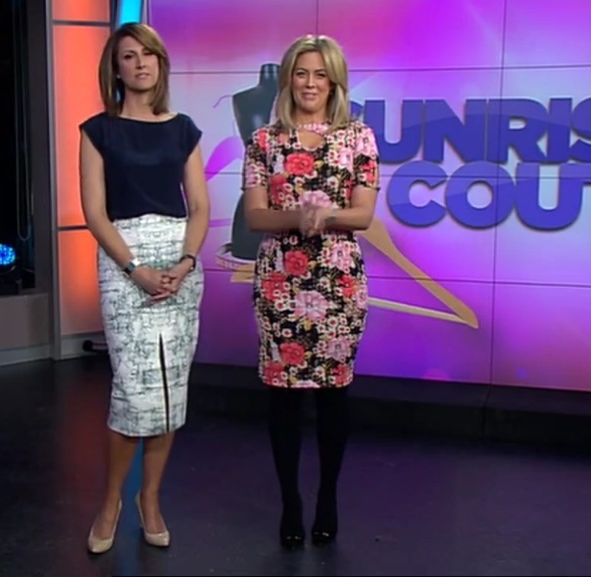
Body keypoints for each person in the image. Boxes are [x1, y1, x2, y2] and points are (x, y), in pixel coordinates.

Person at [241, 34, 380, 549]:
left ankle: (327, 499)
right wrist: (298, 217)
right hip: (280, 280)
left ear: (335, 82)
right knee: (282, 397)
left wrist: (328, 214)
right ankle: (290, 502)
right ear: (287, 79)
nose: (310, 83)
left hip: (338, 282)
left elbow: (363, 216)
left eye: (321, 74)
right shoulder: (264, 142)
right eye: (301, 73)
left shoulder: (359, 138)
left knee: (333, 394)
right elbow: (256, 217)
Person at [80, 22, 209, 554]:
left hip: (180, 266)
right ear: (115, 68)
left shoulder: (183, 129)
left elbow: (199, 207)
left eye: (148, 54)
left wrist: (185, 262)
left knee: (170, 389)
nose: (140, 64)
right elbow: (94, 213)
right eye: (129, 56)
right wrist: (134, 269)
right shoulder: (98, 131)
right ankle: (110, 502)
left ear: (161, 63)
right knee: (133, 390)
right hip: (123, 262)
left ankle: (149, 499)